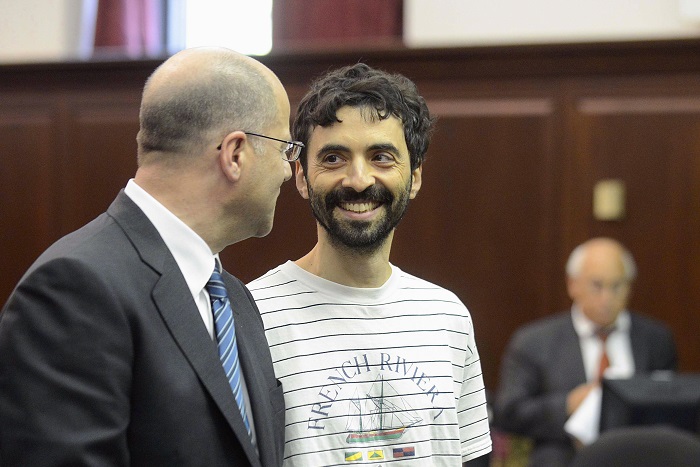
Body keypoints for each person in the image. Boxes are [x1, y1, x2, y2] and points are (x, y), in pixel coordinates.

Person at [0, 47, 296, 466]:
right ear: (235, 154)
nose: (287, 170)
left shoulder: (235, 298)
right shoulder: (76, 289)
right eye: (285, 149)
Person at [247, 63, 492, 465]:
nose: (358, 180)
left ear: (414, 177)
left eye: (381, 157)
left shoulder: (448, 316)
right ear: (302, 177)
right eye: (333, 158)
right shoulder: (252, 316)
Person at [493, 237, 677, 467]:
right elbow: (508, 413)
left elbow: (671, 405)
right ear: (573, 285)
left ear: (630, 287)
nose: (607, 298)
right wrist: (568, 404)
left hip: (639, 457)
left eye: (617, 286)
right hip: (564, 459)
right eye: (597, 285)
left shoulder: (655, 339)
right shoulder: (534, 342)